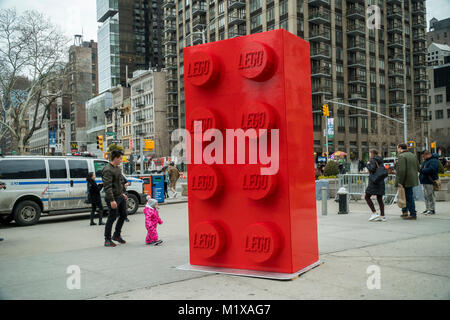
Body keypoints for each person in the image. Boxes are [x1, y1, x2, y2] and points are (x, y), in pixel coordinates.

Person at [102, 150, 129, 247]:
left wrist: (123, 194)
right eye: (120, 158)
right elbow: (107, 187)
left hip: (120, 196)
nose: (121, 160)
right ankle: (107, 239)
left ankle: (116, 235)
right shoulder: (107, 170)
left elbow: (119, 183)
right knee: (112, 218)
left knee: (123, 215)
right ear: (116, 158)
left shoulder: (117, 168)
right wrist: (112, 200)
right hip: (112, 198)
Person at [395, 143, 420, 220]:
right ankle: (405, 211)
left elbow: (402, 170)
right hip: (412, 179)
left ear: (400, 148)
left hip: (405, 180)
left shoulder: (401, 156)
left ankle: (413, 214)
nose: (397, 150)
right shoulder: (413, 155)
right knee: (406, 196)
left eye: (397, 148)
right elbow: (418, 167)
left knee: (408, 197)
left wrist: (400, 182)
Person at [365, 150, 386, 222]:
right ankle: (382, 216)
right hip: (380, 181)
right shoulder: (380, 160)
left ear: (372, 154)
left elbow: (372, 169)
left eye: (369, 153)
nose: (369, 155)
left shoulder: (373, 160)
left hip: (374, 182)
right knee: (379, 199)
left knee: (367, 197)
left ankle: (374, 213)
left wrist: (367, 164)